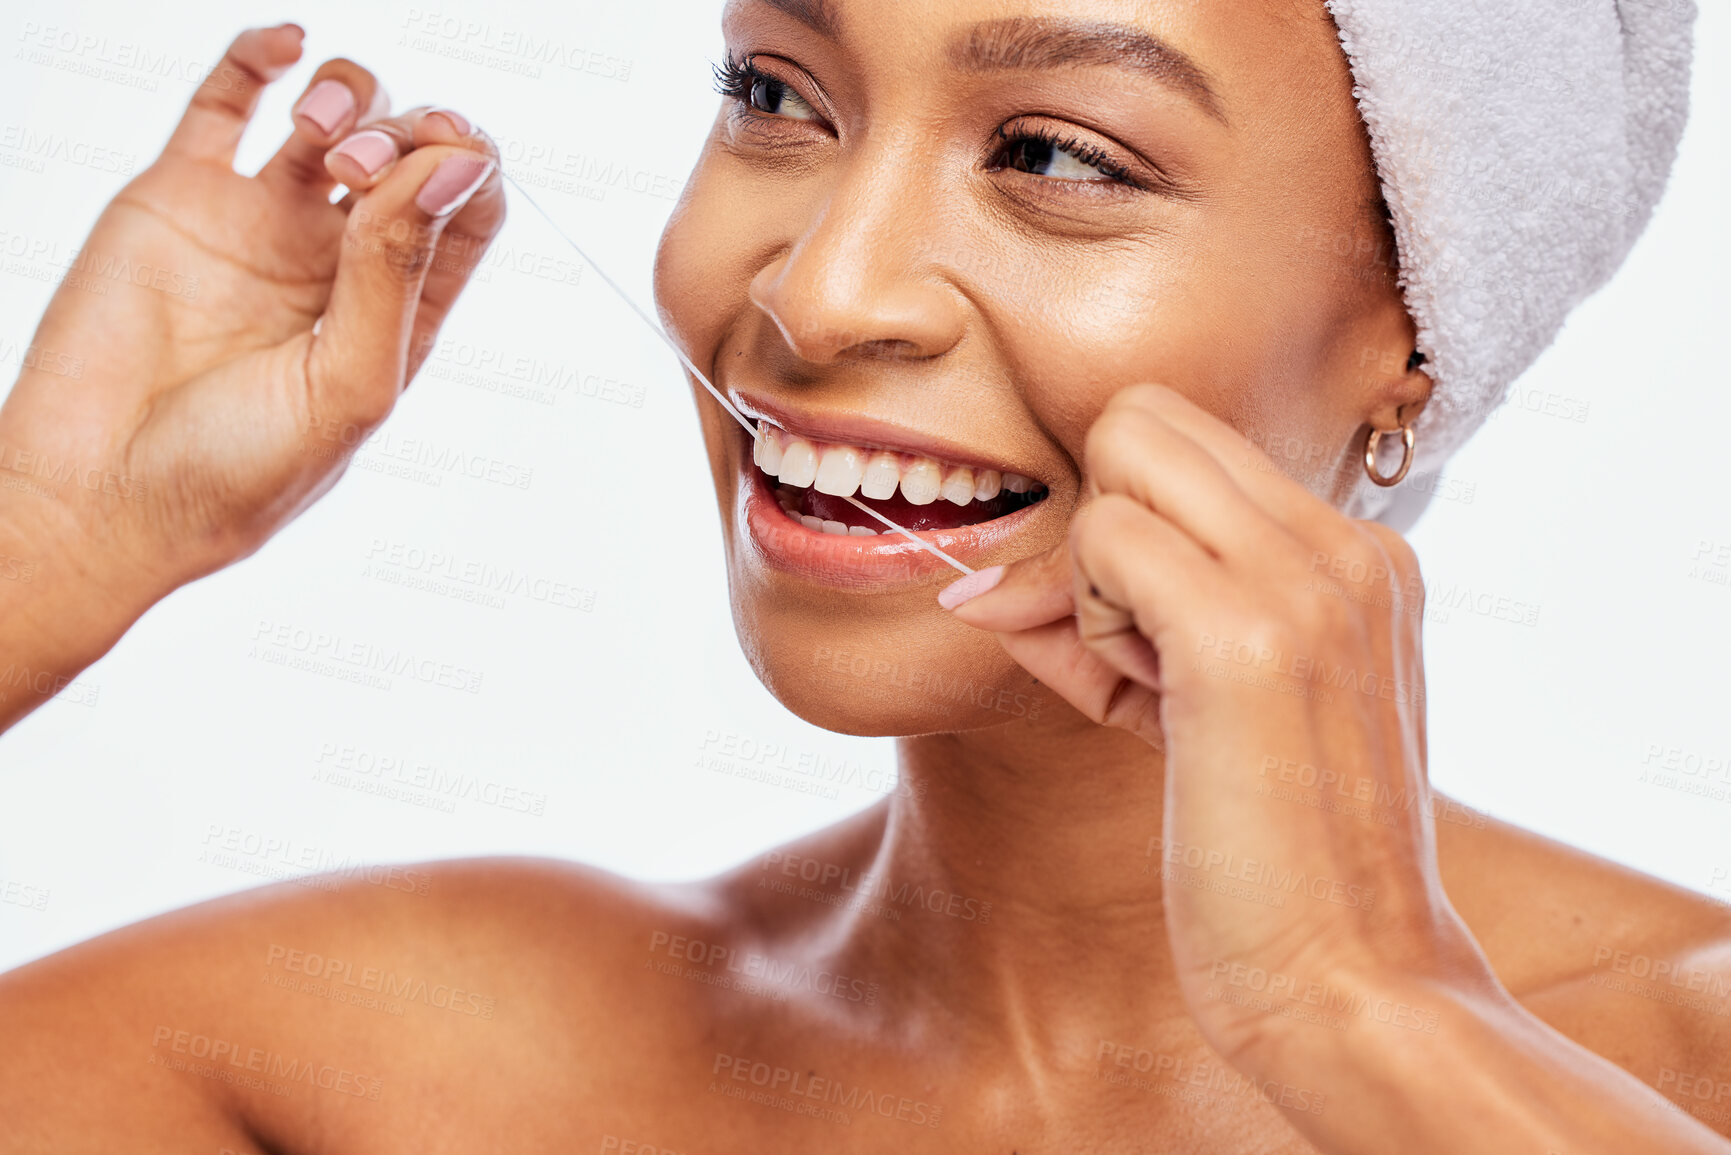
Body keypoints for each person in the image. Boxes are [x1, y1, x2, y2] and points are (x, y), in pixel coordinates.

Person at [2, 4, 1726, 1151]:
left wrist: (1366, 1014)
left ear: (1414, 347)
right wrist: (36, 554)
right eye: (776, 97)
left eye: (1055, 156)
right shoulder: (384, 1063)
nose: (822, 296)